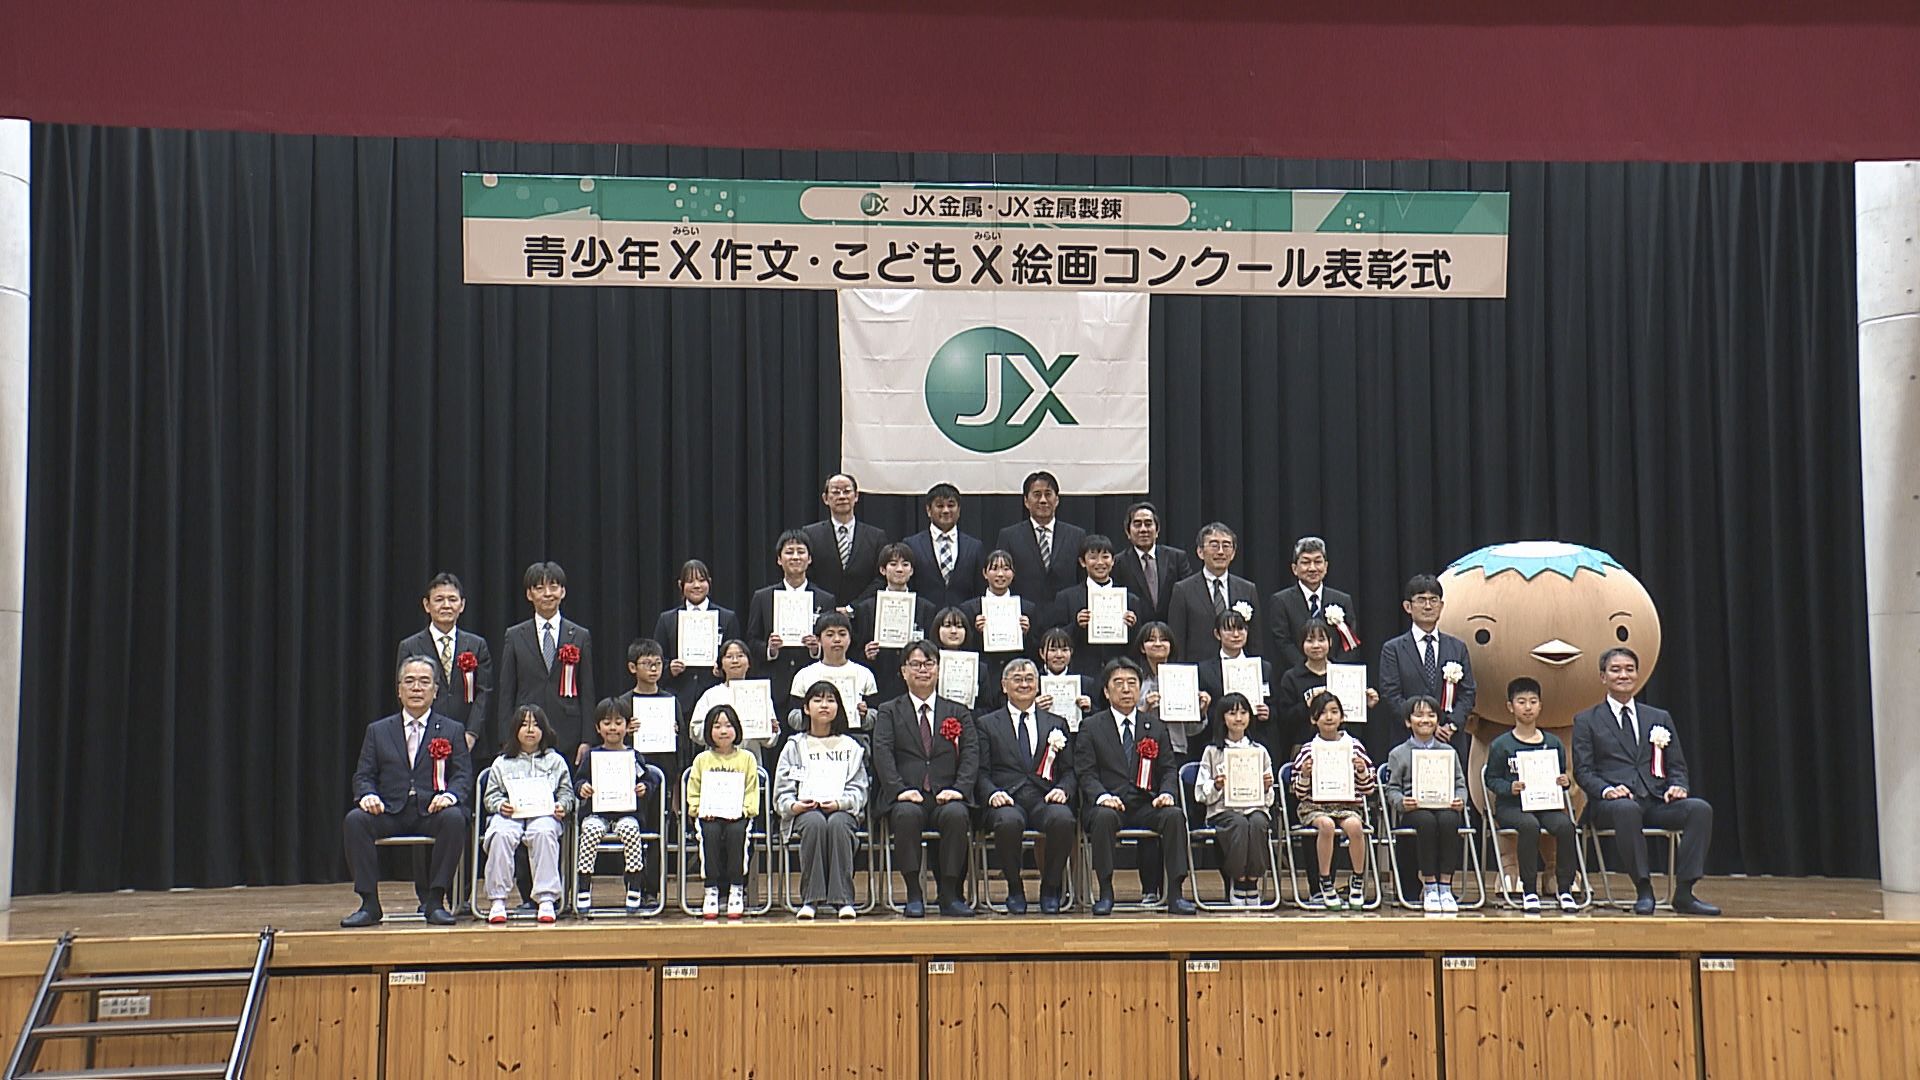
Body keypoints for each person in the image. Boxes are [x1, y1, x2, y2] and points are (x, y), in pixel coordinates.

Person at [1572, 647, 1719, 916]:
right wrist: (1607, 790)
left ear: (1638, 674)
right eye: (1616, 670)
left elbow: (1676, 765)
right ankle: (1643, 889)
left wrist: (1678, 786)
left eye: (1629, 669)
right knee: (1626, 809)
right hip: (1611, 805)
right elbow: (1583, 771)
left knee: (1699, 809)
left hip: (1655, 799)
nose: (1623, 675)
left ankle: (1685, 892)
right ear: (1603, 676)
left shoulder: (1658, 717)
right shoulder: (1586, 721)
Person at [340, 657, 473, 927]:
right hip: (390, 810)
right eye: (409, 681)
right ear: (399, 690)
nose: (416, 688)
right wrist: (367, 795)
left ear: (435, 690)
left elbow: (463, 775)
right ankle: (369, 903)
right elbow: (363, 775)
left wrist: (450, 796)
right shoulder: (378, 731)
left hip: (432, 810)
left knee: (455, 818)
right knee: (355, 820)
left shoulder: (452, 729)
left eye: (424, 682)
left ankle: (435, 901)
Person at [1074, 658, 1198, 915]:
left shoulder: (1155, 726)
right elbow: (1086, 772)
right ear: (1106, 691)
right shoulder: (1091, 726)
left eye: (1132, 683)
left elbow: (1168, 769)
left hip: (1145, 803)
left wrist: (1167, 793)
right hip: (1109, 803)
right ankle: (1105, 892)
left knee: (1174, 816)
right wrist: (1102, 796)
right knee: (1104, 817)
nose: (1126, 689)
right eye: (1118, 683)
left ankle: (1175, 893)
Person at [869, 640, 979, 917]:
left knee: (957, 814)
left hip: (947, 793)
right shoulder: (889, 711)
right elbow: (882, 753)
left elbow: (970, 755)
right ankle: (914, 893)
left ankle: (950, 893)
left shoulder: (958, 711)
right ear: (903, 671)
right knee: (906, 814)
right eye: (916, 664)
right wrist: (899, 790)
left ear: (938, 670)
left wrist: (959, 789)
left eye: (929, 664)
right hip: (907, 794)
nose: (923, 670)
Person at [973, 659, 1077, 914]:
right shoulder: (986, 724)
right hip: (1006, 798)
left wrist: (1063, 789)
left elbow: (1070, 770)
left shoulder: (1056, 723)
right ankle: (1014, 887)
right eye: (1017, 679)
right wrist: (992, 793)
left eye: (1029, 679)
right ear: (1004, 685)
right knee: (1008, 822)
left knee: (1063, 819)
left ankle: (1051, 887)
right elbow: (980, 771)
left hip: (1044, 797)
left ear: (1038, 685)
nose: (1024, 684)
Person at [772, 682, 869, 920]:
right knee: (815, 823)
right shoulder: (795, 747)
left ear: (838, 707)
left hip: (841, 809)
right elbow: (783, 789)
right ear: (806, 708)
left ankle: (843, 899)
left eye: (830, 700)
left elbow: (859, 789)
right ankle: (811, 899)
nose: (824, 705)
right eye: (817, 700)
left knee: (838, 824)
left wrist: (841, 804)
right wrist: (793, 806)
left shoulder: (850, 747)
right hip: (805, 811)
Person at [1485, 678, 1580, 914]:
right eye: (1521, 702)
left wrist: (1564, 782)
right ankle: (1529, 890)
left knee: (1566, 826)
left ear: (1540, 706)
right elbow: (1491, 778)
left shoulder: (1553, 743)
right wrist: (1510, 787)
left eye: (1533, 702)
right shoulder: (1501, 745)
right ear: (1510, 707)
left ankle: (1565, 889)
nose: (1527, 707)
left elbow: (1560, 776)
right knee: (1529, 826)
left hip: (1545, 804)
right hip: (1512, 807)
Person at [480, 705, 575, 924]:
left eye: (536, 725)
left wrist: (562, 805)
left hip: (544, 814)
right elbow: (490, 796)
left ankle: (546, 899)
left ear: (544, 730)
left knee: (544, 832)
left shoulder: (555, 761)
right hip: (510, 815)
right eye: (524, 725)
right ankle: (498, 900)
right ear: (515, 730)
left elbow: (566, 792)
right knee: (500, 834)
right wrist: (500, 805)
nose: (530, 730)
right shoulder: (502, 762)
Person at [496, 561, 595, 766]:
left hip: (568, 732)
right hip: (526, 732)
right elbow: (506, 691)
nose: (547, 594)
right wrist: (506, 738)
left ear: (563, 592)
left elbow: (587, 689)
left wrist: (587, 739)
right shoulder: (514, 635)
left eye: (553, 587)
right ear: (529, 594)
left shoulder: (579, 635)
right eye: (540, 588)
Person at [1290, 692, 1375, 912]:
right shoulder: (1308, 749)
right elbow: (1298, 792)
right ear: (1313, 719)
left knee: (1355, 826)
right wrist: (1305, 775)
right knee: (1326, 825)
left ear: (1342, 717)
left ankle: (1357, 879)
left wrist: (1361, 771)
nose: (1329, 717)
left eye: (1334, 712)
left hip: (1347, 804)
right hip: (1315, 805)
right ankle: (1325, 881)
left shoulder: (1354, 746)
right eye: (1323, 713)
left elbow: (1369, 788)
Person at [1382, 695, 1469, 913]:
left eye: (1431, 715)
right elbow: (1392, 789)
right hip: (1415, 810)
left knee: (1449, 820)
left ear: (1438, 720)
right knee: (1426, 821)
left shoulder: (1448, 752)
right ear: (1408, 721)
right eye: (1419, 715)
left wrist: (1460, 799)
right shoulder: (1398, 753)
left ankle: (1445, 886)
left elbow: (1460, 784)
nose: (1425, 720)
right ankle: (1430, 886)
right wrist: (1402, 802)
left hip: (1444, 806)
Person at [573, 698, 658, 916]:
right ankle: (584, 885)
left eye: (618, 722)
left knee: (631, 831)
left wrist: (644, 788)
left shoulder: (633, 756)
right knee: (590, 830)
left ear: (628, 726)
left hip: (627, 814)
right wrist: (583, 788)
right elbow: (579, 780)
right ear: (597, 728)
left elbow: (648, 780)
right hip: (597, 814)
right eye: (607, 723)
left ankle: (634, 885)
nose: (613, 728)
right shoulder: (592, 756)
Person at [1193, 693, 1277, 907]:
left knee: (1258, 822)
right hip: (1223, 810)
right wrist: (1217, 785)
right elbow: (1200, 792)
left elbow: (1269, 799)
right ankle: (1238, 879)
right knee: (1238, 824)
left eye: (1243, 712)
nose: (1238, 718)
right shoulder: (1212, 752)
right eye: (1232, 713)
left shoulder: (1259, 751)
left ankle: (1253, 879)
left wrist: (1266, 787)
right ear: (1223, 718)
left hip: (1254, 807)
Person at [1378, 574, 1476, 756]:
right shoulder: (1393, 649)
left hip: (1450, 740)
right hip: (1408, 742)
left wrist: (1451, 725)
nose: (1428, 606)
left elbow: (1468, 693)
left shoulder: (1457, 647)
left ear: (1442, 605)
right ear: (1408, 606)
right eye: (1421, 600)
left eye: (1433, 600)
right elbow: (1391, 695)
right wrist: (1426, 725)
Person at [395, 572, 492, 751]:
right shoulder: (410, 646)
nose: (446, 605)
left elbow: (484, 693)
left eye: (452, 599)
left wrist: (471, 733)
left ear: (462, 605)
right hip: (425, 740)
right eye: (439, 599)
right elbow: (405, 692)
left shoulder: (476, 645)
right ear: (427, 605)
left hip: (469, 741)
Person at [745, 529, 837, 713]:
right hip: (774, 683)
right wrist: (770, 649)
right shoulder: (763, 597)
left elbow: (833, 640)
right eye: (789, 552)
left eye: (801, 552)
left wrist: (816, 648)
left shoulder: (825, 599)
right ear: (779, 559)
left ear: (809, 559)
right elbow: (751, 641)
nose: (795, 557)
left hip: (812, 685)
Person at [688, 703, 761, 921]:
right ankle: (711, 889)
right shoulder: (702, 760)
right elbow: (693, 791)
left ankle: (736, 888)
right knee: (709, 834)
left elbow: (751, 790)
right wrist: (699, 809)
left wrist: (744, 810)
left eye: (728, 725)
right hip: (709, 814)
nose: (723, 731)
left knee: (737, 833)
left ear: (736, 728)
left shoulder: (747, 758)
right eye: (717, 726)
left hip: (738, 815)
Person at [1275, 619, 1380, 756]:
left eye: (1321, 640)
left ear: (1330, 642)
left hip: (1342, 745)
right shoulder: (1292, 677)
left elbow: (1352, 717)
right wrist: (1307, 705)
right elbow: (1284, 719)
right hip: (1305, 748)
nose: (1316, 645)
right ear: (1302, 644)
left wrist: (1364, 704)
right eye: (1310, 640)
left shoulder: (1344, 673)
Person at [1047, 533, 1149, 674]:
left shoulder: (1129, 600)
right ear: (1082, 562)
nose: (1100, 562)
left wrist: (1133, 627)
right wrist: (1077, 625)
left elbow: (1137, 646)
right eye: (1093, 557)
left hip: (1119, 672)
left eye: (1105, 557)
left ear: (1113, 561)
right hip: (1082, 672)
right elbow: (1055, 638)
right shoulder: (1066, 598)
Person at [1168, 522, 1261, 663]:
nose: (1221, 552)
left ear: (1233, 553)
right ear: (1200, 551)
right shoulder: (1183, 590)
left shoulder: (1247, 589)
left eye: (1226, 546)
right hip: (1199, 667)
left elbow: (1255, 641)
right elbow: (1177, 640)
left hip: (1237, 668)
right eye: (1214, 545)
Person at [653, 559, 741, 707]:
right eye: (690, 581)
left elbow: (737, 656)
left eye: (701, 580)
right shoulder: (667, 620)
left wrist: (723, 669)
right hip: (679, 696)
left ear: (709, 583)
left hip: (715, 697)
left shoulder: (727, 618)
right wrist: (670, 669)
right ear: (681, 585)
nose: (696, 586)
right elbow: (657, 658)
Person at [855, 542, 938, 700]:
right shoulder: (867, 608)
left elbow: (931, 648)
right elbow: (856, 651)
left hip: (915, 686)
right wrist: (867, 654)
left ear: (911, 570)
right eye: (893, 564)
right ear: (882, 570)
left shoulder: (926, 608)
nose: (899, 569)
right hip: (880, 682)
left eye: (905, 564)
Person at [994, 470, 1085, 607]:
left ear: (1057, 500)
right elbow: (1001, 580)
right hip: (1024, 615)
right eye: (1037, 495)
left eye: (1048, 494)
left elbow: (1082, 581)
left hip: (1066, 615)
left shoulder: (1076, 536)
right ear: (1026, 501)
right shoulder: (1009, 536)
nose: (1043, 500)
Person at [1269, 537, 1361, 670]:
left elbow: (1350, 643)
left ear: (1326, 566)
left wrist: (1332, 669)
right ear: (1294, 568)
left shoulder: (1342, 600)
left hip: (1335, 673)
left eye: (1318, 562)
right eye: (1306, 562)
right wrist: (1310, 669)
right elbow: (1283, 643)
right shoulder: (1281, 601)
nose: (1312, 568)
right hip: (1297, 675)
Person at [960, 548, 1038, 702]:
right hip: (985, 677)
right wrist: (977, 632)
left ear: (1013, 573)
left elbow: (1035, 651)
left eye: (1006, 569)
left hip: (1015, 677)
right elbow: (965, 649)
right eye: (994, 568)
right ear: (984, 573)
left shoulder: (1026, 608)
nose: (1000, 574)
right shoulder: (970, 608)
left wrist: (1026, 634)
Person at [801, 472, 887, 607]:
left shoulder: (876, 536)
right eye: (835, 492)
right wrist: (827, 604)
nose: (842, 496)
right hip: (822, 611)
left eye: (847, 491)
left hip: (862, 612)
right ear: (825, 498)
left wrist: (853, 608)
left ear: (856, 496)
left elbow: (880, 579)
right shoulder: (810, 534)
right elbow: (805, 574)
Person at [688, 639, 780, 762]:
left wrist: (772, 729)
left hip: (750, 761)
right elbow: (695, 729)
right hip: (715, 761)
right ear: (721, 663)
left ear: (749, 663)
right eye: (729, 656)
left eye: (740, 656)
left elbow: (769, 740)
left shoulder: (760, 693)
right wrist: (716, 729)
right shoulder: (711, 694)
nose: (735, 661)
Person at [1196, 609, 1275, 752]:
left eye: (1241, 629)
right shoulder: (1204, 670)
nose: (1236, 635)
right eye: (1229, 630)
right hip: (1216, 742)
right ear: (1217, 634)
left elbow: (1275, 705)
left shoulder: (1263, 667)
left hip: (1255, 740)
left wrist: (1268, 712)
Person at [788, 611, 880, 731]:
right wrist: (811, 713)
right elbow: (793, 718)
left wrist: (865, 715)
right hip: (814, 737)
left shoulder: (864, 674)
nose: (837, 639)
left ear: (850, 638)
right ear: (818, 640)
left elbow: (875, 716)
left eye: (842, 634)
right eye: (830, 634)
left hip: (854, 736)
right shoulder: (804, 675)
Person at [903, 482, 985, 612]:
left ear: (959, 510)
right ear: (928, 510)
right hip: (924, 618)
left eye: (951, 505)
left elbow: (980, 589)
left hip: (963, 619)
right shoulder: (912, 544)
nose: (946, 510)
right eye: (940, 506)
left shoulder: (974, 547)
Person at [1111, 501, 1194, 623]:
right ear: (1128, 532)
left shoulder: (1176, 558)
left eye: (1148, 524)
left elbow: (1189, 594)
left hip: (1171, 629)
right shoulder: (1118, 563)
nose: (1143, 529)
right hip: (1136, 630)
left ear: (1157, 530)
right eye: (1137, 524)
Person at [1034, 627, 1096, 723]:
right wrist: (1033, 707)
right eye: (1053, 650)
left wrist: (1090, 708)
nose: (1059, 655)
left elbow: (1100, 718)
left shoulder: (1085, 683)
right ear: (1042, 653)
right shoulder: (1033, 683)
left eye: (1064, 650)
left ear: (1071, 652)